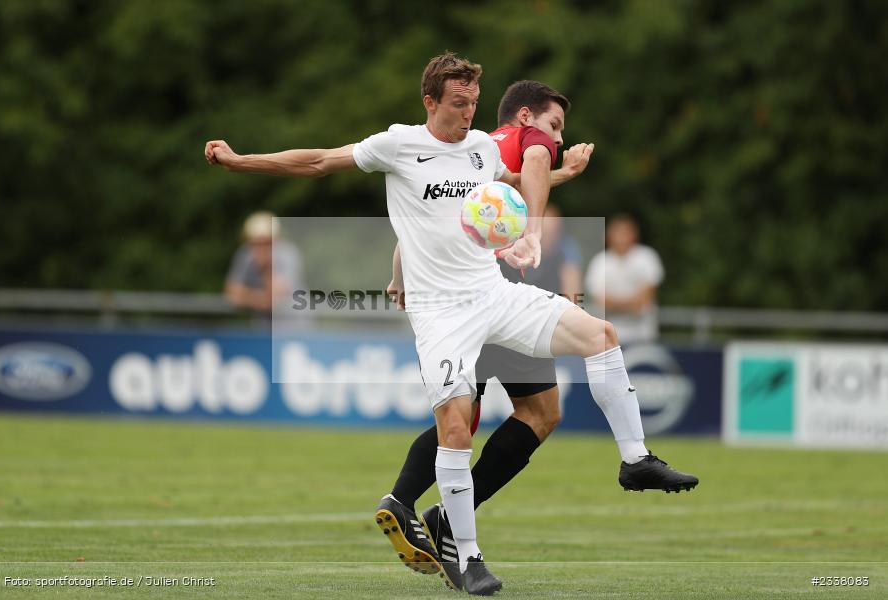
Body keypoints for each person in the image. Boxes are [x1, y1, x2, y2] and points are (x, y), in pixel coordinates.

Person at [205, 53, 696, 596]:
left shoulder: (481, 148)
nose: (468, 114)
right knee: (458, 427)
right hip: (440, 314)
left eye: (473, 104)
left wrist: (563, 174)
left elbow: (512, 180)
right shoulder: (397, 145)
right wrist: (241, 160)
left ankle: (635, 460)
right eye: (458, 103)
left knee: (601, 335)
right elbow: (319, 161)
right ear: (430, 102)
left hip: (494, 294)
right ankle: (467, 558)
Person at [379, 81, 693, 593]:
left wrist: (398, 275)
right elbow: (536, 171)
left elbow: (422, 225)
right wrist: (534, 226)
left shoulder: (475, 151)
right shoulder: (528, 140)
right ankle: (420, 508)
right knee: (508, 414)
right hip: (492, 301)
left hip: (472, 299)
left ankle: (412, 503)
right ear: (526, 117)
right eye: (554, 126)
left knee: (491, 411)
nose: (556, 138)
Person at [585, 214, 664, 344]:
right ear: (609, 236)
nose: (621, 238)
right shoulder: (599, 261)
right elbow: (600, 301)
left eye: (625, 233)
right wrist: (631, 304)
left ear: (634, 235)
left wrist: (614, 304)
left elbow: (645, 299)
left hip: (643, 335)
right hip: (608, 338)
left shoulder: (647, 257)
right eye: (618, 233)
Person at [224, 211, 306, 322]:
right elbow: (232, 293)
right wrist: (258, 300)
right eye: (255, 243)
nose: (260, 248)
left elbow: (277, 296)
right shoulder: (246, 254)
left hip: (294, 323)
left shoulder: (288, 254)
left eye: (266, 242)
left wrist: (265, 268)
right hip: (263, 324)